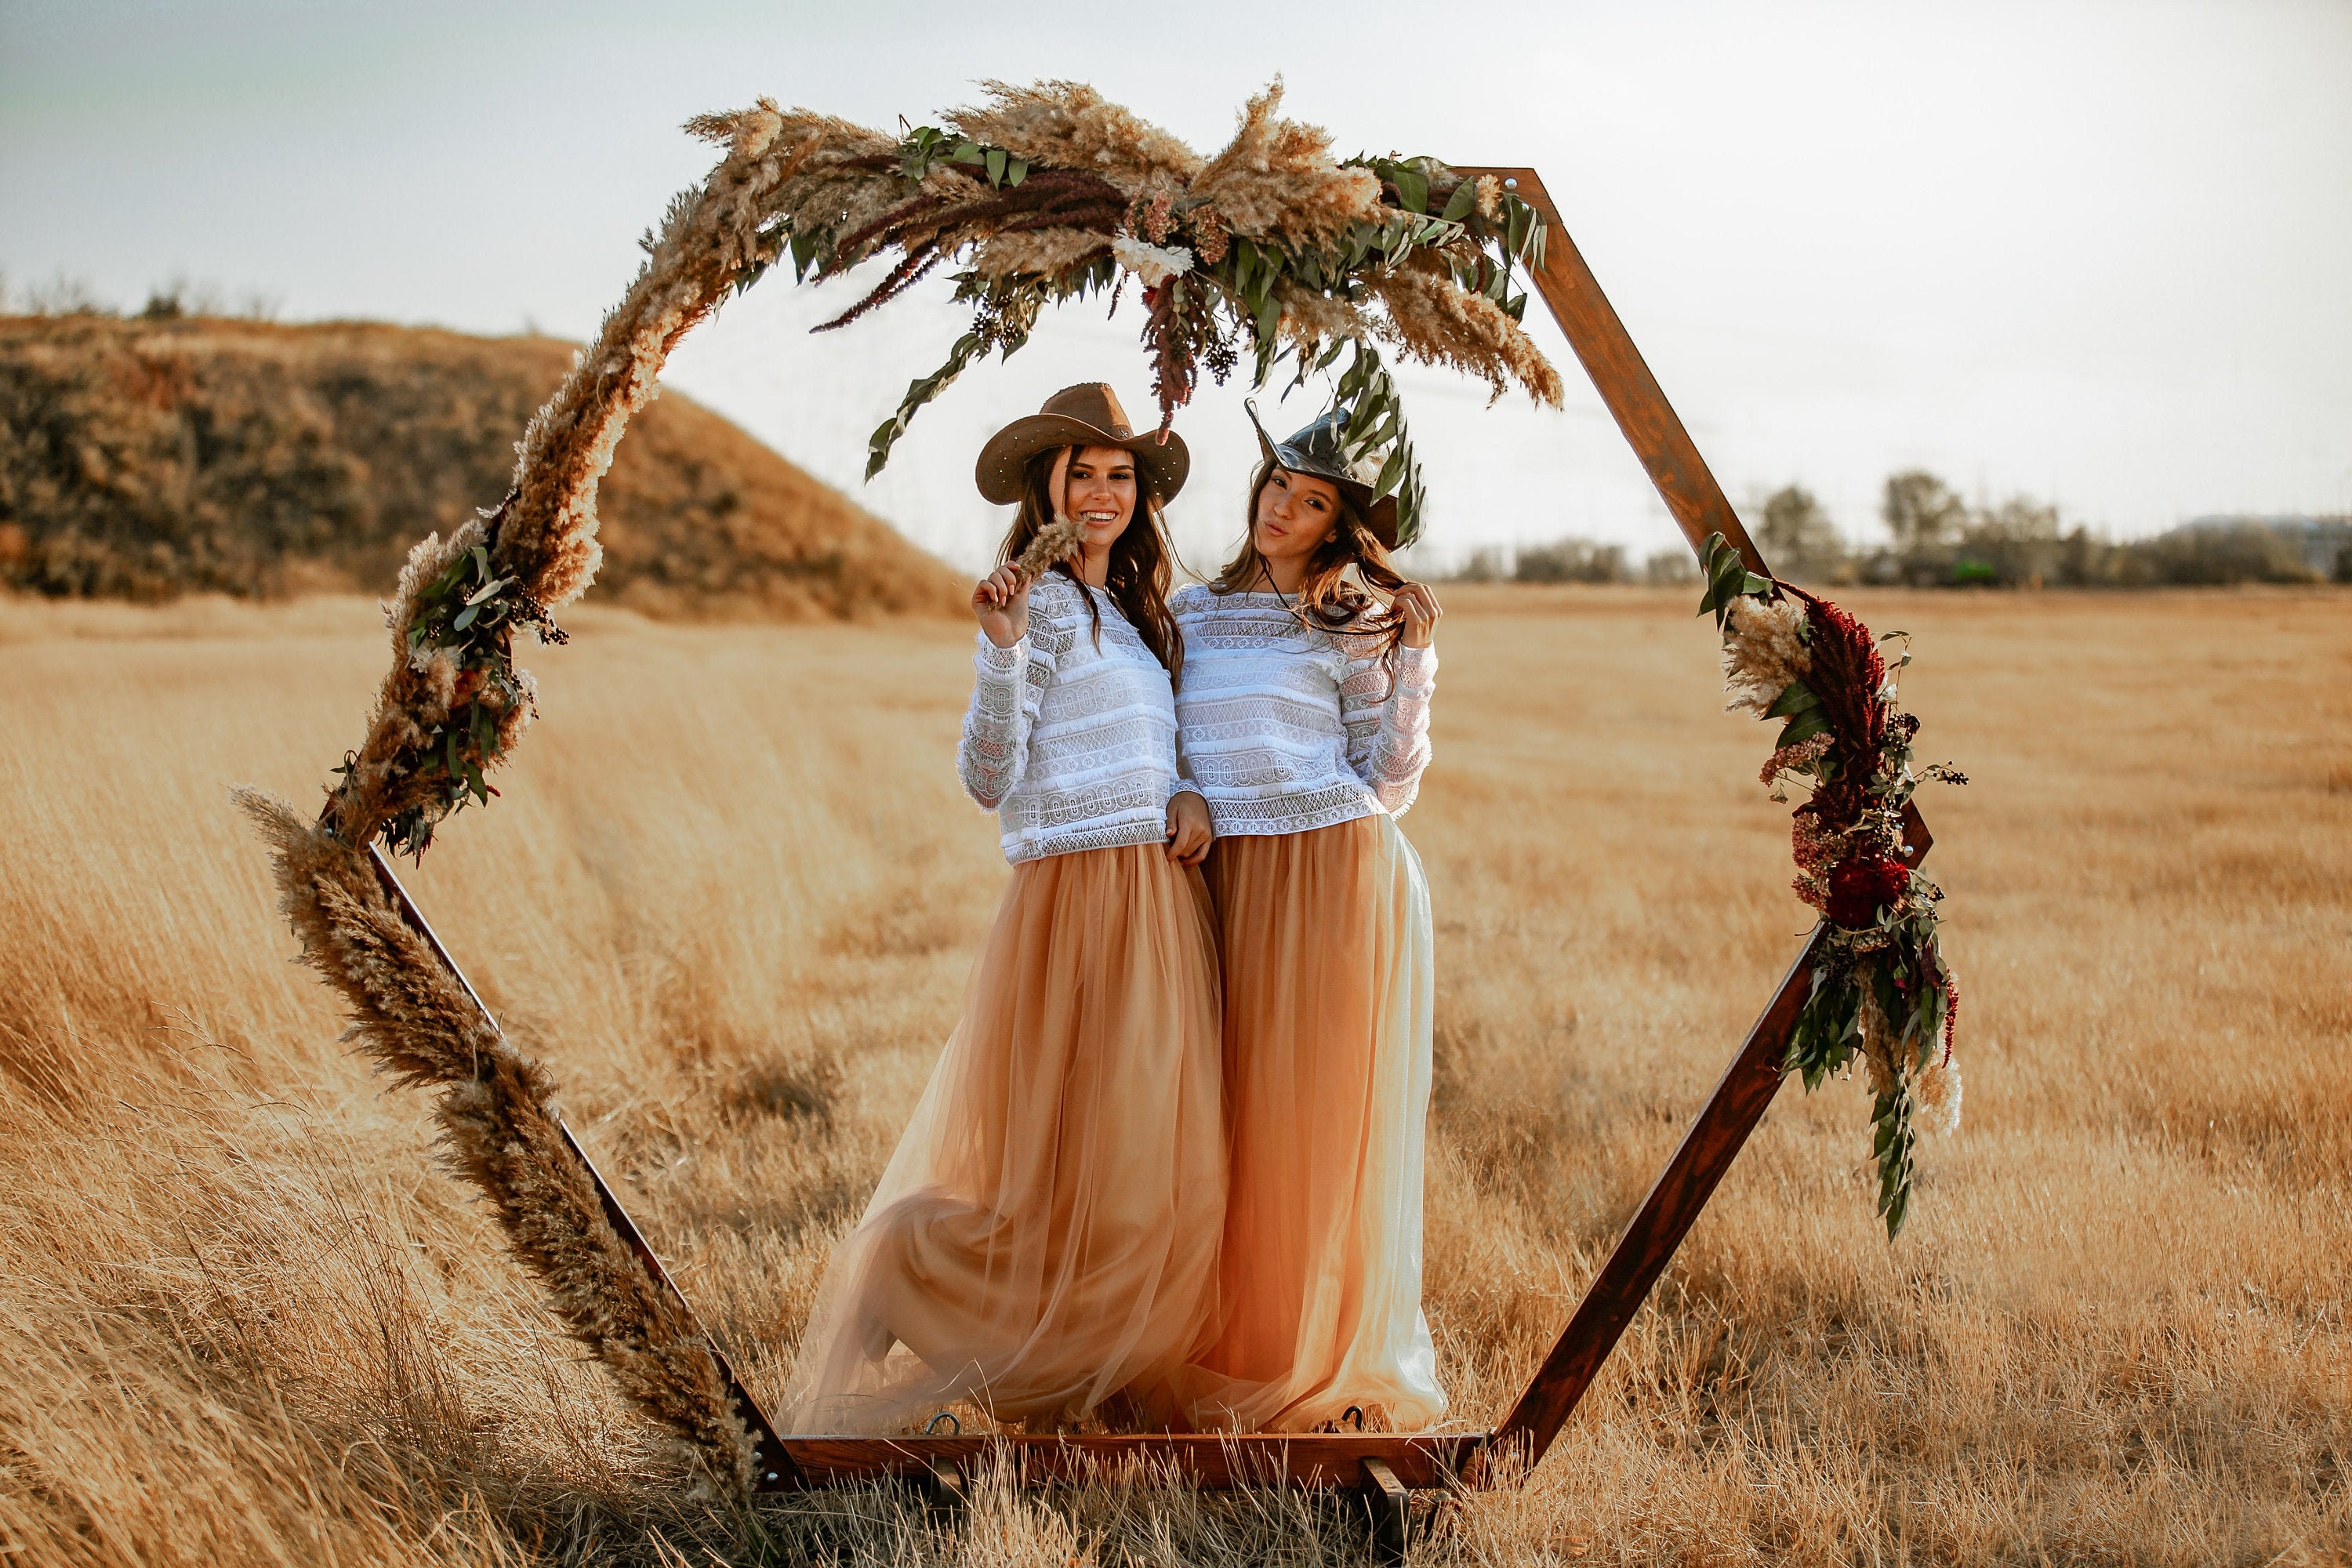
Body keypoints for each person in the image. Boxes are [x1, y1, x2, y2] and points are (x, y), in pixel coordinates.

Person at [784, 384, 1225, 1434]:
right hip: (1074, 907)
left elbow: (1147, 752)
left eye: (1120, 475)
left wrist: (1186, 789)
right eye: (1082, 474)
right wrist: (1001, 645)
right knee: (1063, 1175)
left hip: (1159, 906)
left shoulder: (1137, 614)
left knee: (1154, 1174)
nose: (1103, 491)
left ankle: (1102, 1373)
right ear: (1047, 490)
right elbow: (988, 777)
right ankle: (903, 1266)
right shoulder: (1035, 611)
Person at [1168, 403, 1446, 1434]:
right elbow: (1163, 738)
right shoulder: (1191, 612)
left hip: (1331, 874)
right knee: (1217, 1118)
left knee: (1311, 1127)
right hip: (1218, 875)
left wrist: (1412, 661)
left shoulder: (1353, 618)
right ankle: (1209, 1340)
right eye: (1278, 486)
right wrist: (1175, 794)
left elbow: (1390, 779)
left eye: (1312, 500)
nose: (1283, 509)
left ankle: (1301, 1359)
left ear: (1338, 523)